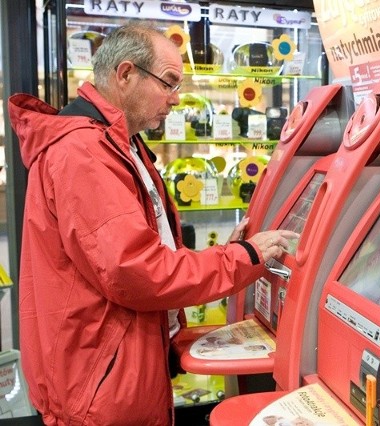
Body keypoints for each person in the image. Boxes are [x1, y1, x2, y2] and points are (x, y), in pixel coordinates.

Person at [8, 22, 297, 425]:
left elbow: (137, 251)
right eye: (168, 83)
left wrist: (221, 253)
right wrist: (241, 257)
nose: (176, 99)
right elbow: (136, 271)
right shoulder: (84, 153)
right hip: (101, 386)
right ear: (125, 74)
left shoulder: (114, 141)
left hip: (114, 369)